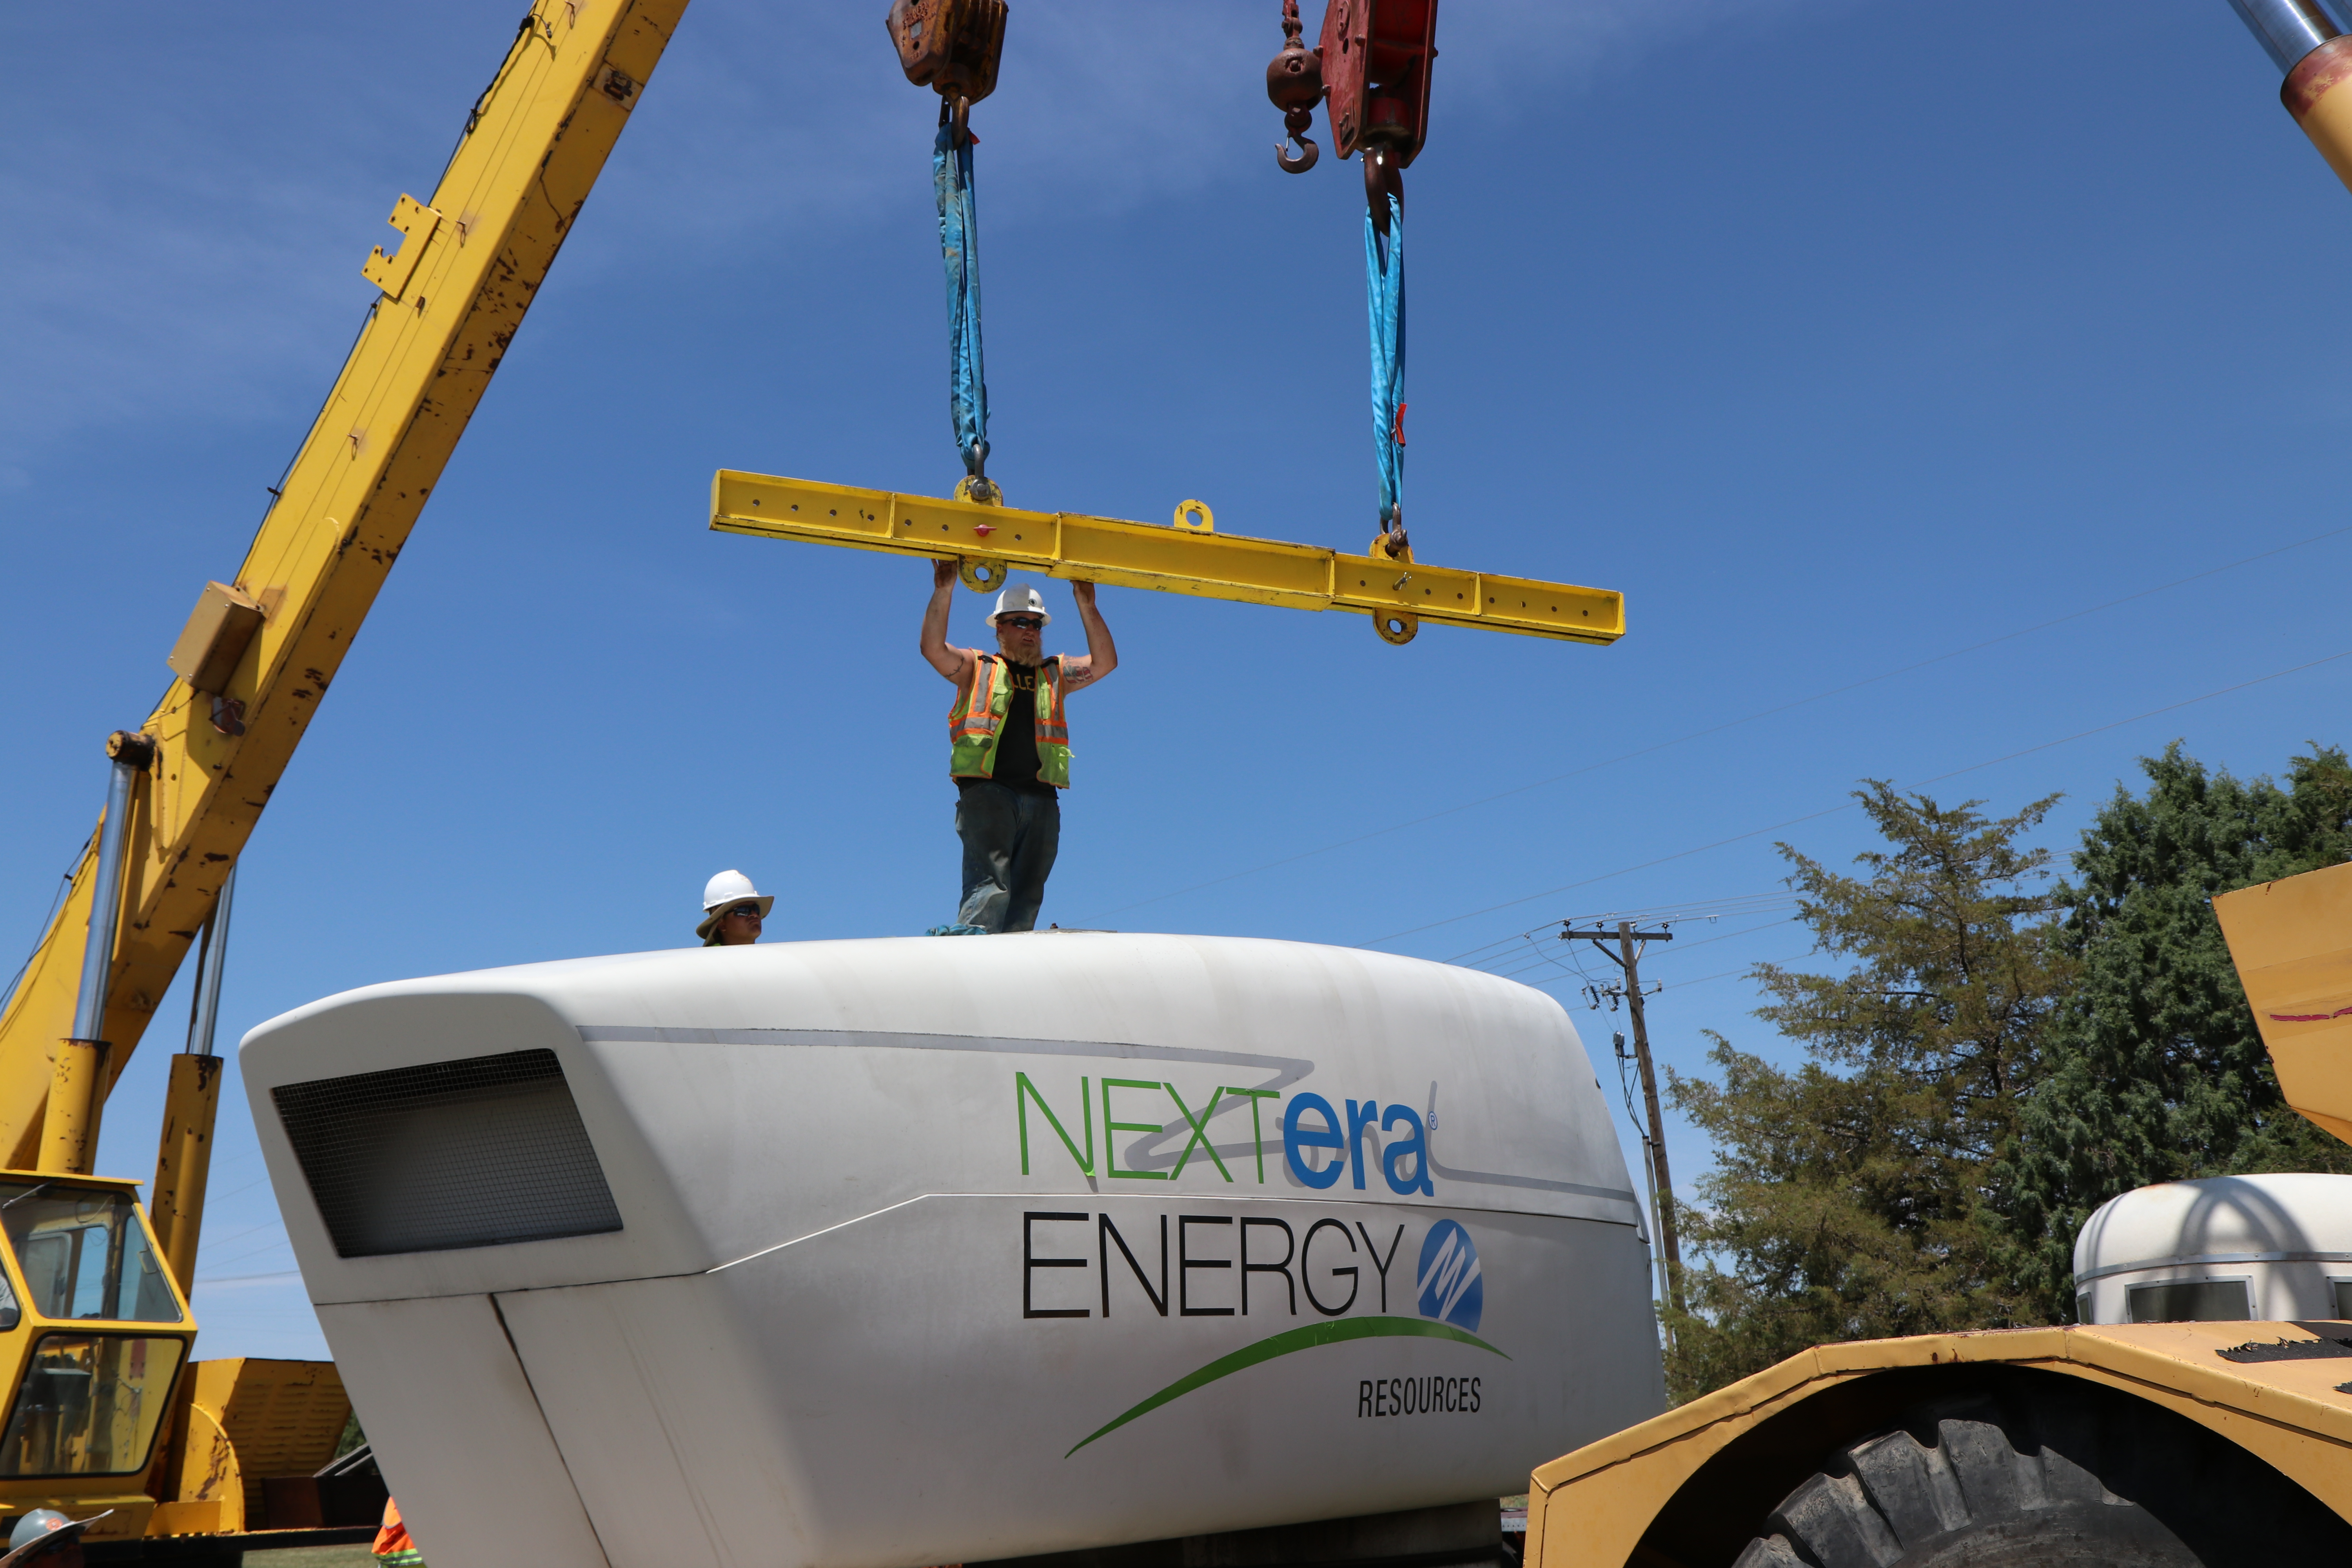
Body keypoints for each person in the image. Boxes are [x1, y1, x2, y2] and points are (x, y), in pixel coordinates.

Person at [919, 567, 1116, 932]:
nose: (1030, 630)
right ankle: (973, 953)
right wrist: (944, 590)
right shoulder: (977, 667)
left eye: (1036, 624)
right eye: (1020, 622)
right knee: (991, 889)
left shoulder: (1054, 674)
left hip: (1041, 798)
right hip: (989, 792)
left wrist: (1087, 605)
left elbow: (1105, 663)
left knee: (1028, 894)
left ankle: (1010, 967)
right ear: (1000, 627)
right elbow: (932, 649)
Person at [697, 869, 772, 946]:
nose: (754, 915)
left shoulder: (767, 957)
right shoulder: (711, 958)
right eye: (743, 911)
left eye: (756, 909)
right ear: (721, 923)